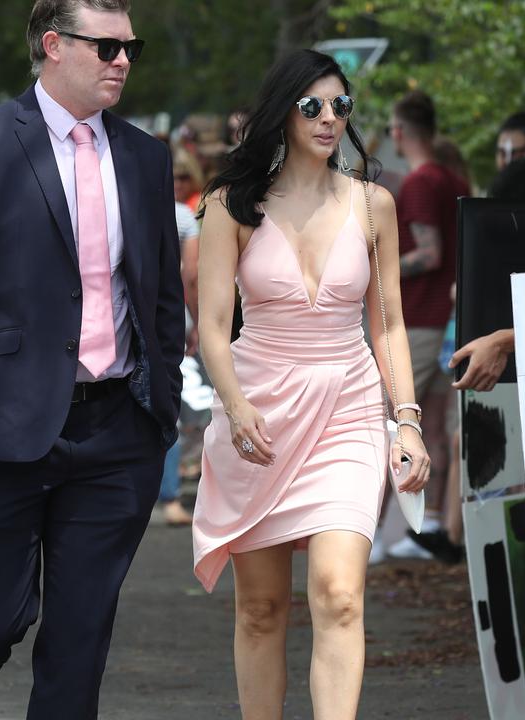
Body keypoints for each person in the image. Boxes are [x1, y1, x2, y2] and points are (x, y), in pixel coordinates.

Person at [0, 1, 184, 717]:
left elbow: (159, 291)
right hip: (4, 427)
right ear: (54, 45)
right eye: (106, 47)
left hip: (118, 432)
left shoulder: (146, 155)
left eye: (130, 47)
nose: (123, 60)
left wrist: (164, 406)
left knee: (79, 635)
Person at [192, 49, 430, 719]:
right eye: (313, 106)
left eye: (341, 106)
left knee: (340, 594)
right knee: (263, 608)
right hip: (258, 411)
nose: (330, 118)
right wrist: (234, 406)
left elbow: (387, 324)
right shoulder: (231, 205)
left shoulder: (373, 203)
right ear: (283, 112)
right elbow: (212, 327)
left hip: (348, 408)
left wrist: (406, 421)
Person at [377, 89, 469, 562]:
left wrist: (378, 266)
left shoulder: (418, 184)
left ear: (398, 132)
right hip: (453, 319)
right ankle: (427, 523)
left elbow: (430, 254)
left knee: (388, 422)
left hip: (420, 323)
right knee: (431, 427)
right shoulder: (455, 178)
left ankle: (370, 533)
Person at [157, 193, 201, 527]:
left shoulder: (115, 198)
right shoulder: (182, 215)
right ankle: (170, 498)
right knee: (169, 408)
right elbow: (190, 275)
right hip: (166, 317)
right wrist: (195, 320)